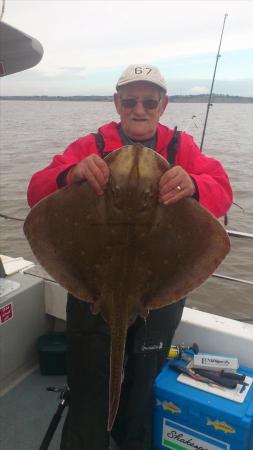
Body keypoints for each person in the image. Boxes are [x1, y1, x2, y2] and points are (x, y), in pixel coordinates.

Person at [27, 64, 233, 450]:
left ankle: (131, 439)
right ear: (117, 102)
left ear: (163, 104)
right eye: (130, 100)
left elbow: (223, 189)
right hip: (93, 289)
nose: (140, 109)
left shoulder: (181, 147)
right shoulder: (92, 144)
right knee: (90, 385)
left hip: (157, 294)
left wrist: (195, 184)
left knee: (142, 387)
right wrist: (71, 173)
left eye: (149, 101)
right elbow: (36, 191)